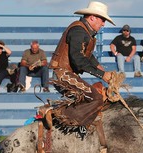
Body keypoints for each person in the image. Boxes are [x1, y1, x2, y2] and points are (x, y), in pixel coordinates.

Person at [49, 1, 114, 130]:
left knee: (92, 97)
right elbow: (78, 60)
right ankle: (59, 115)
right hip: (62, 75)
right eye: (102, 20)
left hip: (66, 74)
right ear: (92, 17)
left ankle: (74, 125)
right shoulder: (78, 31)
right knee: (96, 98)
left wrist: (99, 67)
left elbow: (87, 55)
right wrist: (102, 75)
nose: (103, 24)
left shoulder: (85, 32)